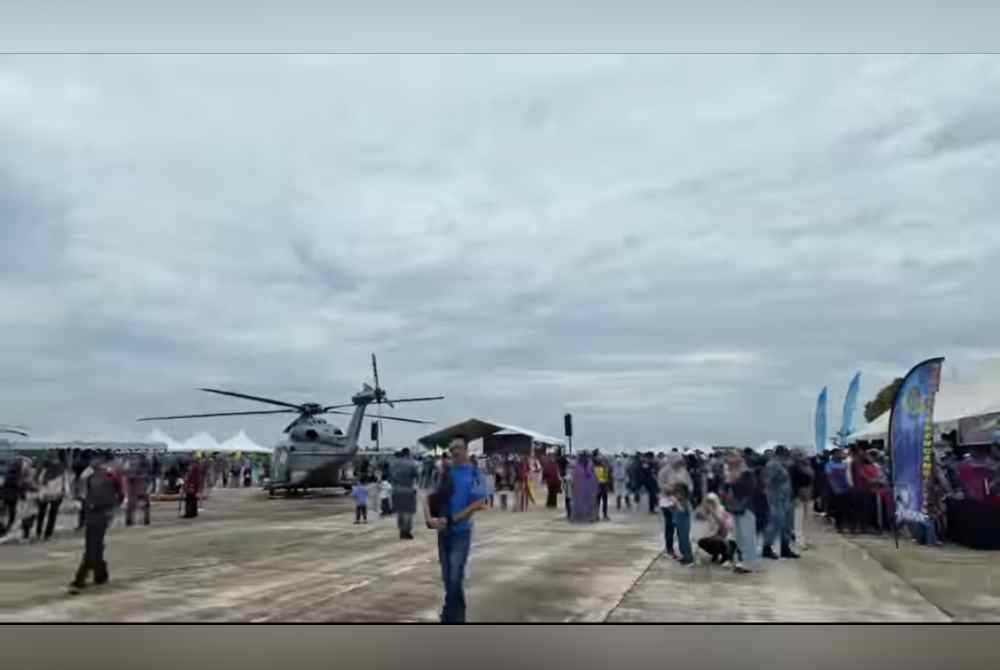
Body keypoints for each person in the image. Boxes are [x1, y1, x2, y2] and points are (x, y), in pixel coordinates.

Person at [424, 435, 488, 624]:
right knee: (448, 578)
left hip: (461, 532)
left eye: (458, 448)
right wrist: (429, 519)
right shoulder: (444, 472)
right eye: (452, 449)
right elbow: (426, 495)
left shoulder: (476, 474)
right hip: (443, 532)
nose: (455, 452)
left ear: (466, 450)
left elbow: (478, 503)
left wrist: (452, 519)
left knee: (454, 577)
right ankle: (457, 617)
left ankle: (449, 617)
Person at [69, 452, 124, 594]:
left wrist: (113, 509)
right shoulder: (88, 475)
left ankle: (80, 579)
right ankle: (101, 574)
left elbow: (120, 493)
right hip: (90, 512)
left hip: (103, 512)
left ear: (101, 459)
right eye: (92, 458)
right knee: (95, 544)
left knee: (92, 545)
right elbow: (80, 492)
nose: (93, 461)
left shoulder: (110, 474)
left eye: (96, 458)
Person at [721, 452, 758, 574]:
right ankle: (742, 561)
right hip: (734, 509)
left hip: (747, 509)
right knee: (739, 537)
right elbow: (724, 490)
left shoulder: (747, 474)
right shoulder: (730, 474)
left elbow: (747, 491)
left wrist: (732, 481)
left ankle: (749, 563)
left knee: (747, 536)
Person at [761, 446, 799, 560]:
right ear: (781, 453)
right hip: (776, 499)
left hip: (785, 498)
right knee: (775, 524)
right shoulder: (772, 464)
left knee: (787, 524)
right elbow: (767, 481)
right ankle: (766, 548)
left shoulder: (782, 464)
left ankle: (785, 548)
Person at [660, 454, 695, 565]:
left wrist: (680, 493)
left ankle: (687, 556)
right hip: (670, 503)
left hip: (680, 503)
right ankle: (680, 552)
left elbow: (689, 487)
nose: (679, 463)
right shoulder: (664, 471)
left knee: (683, 532)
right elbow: (661, 485)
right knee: (674, 529)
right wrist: (671, 490)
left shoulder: (683, 471)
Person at [695, 493, 734, 565]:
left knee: (719, 541)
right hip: (709, 536)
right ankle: (715, 554)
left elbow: (722, 523)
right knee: (702, 542)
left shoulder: (721, 509)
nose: (710, 503)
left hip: (721, 535)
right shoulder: (704, 510)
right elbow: (698, 516)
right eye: (708, 501)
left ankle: (725, 556)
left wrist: (713, 512)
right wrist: (704, 509)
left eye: (711, 501)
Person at [36, 455, 68, 541]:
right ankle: (47, 534)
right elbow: (65, 482)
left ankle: (39, 533)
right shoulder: (61, 469)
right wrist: (65, 492)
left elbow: (39, 481)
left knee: (42, 514)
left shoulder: (44, 469)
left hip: (47, 494)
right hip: (54, 494)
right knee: (51, 515)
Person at [390, 448, 419, 540]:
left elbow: (389, 476)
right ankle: (407, 531)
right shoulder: (411, 464)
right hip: (408, 489)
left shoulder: (393, 464)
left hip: (396, 490)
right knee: (408, 512)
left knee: (400, 512)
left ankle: (401, 530)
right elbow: (416, 475)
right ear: (408, 454)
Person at [825, 449, 852, 533]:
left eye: (841, 453)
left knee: (846, 507)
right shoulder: (829, 465)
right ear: (833, 455)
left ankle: (844, 525)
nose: (841, 454)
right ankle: (839, 526)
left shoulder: (844, 464)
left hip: (846, 488)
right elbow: (830, 478)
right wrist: (835, 488)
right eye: (838, 453)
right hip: (836, 489)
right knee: (838, 508)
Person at [570, 453, 598, 523]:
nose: (584, 459)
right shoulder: (577, 466)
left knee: (590, 502)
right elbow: (574, 477)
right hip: (580, 488)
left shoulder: (589, 465)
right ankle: (576, 517)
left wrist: (595, 486)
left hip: (589, 487)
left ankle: (591, 517)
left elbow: (594, 476)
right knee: (577, 503)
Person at [124, 454, 152, 527]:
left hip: (139, 486)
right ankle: (130, 520)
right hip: (136, 487)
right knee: (132, 505)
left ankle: (143, 520)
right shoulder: (132, 463)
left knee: (143, 504)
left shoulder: (142, 463)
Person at [593, 454, 611, 521]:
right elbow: (607, 478)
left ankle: (596, 515)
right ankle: (605, 515)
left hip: (597, 486)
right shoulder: (604, 467)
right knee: (604, 502)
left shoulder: (594, 468)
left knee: (597, 502)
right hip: (603, 486)